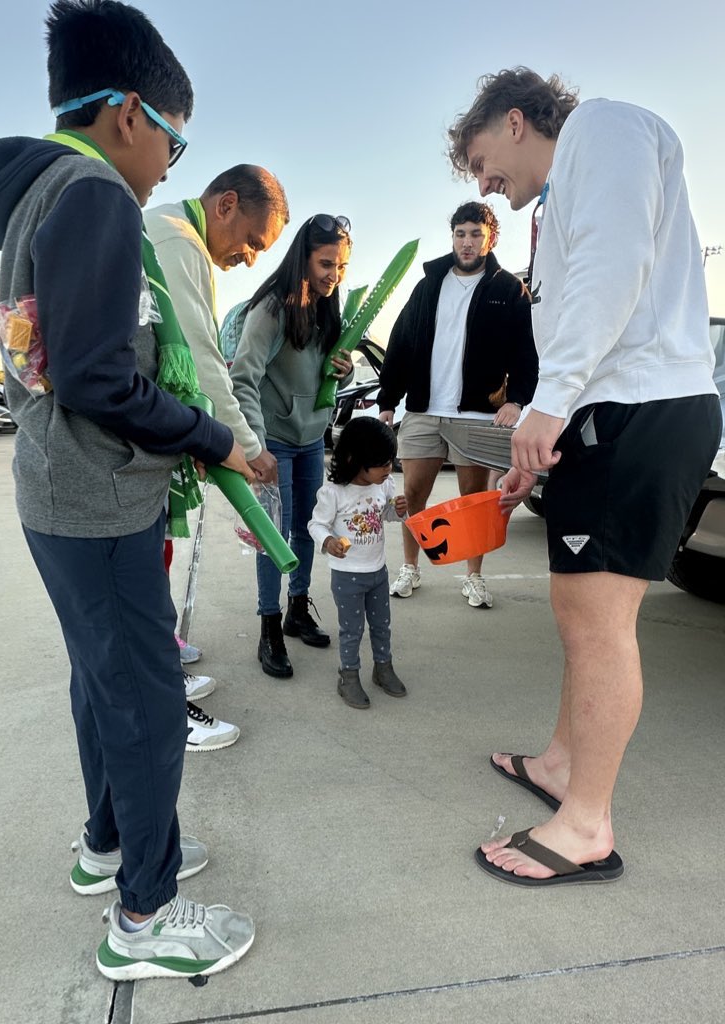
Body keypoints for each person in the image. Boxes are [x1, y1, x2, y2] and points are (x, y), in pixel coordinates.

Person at [0, 0, 256, 977]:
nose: (173, 163)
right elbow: (97, 377)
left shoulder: (39, 191)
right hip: (98, 500)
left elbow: (46, 363)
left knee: (104, 684)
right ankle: (145, 914)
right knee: (142, 695)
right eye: (177, 142)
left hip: (59, 496)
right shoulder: (94, 196)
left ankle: (107, 846)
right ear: (131, 114)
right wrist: (212, 436)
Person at [447, 67, 722, 886]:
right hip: (615, 408)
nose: (485, 187)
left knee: (599, 622)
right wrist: (546, 433)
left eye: (481, 159)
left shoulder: (601, 127)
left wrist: (548, 407)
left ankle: (587, 824)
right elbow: (584, 313)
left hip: (644, 407)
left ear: (517, 120)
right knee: (577, 609)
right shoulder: (567, 187)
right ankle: (565, 765)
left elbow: (612, 268)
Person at [145, 165, 289, 746]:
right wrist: (244, 447)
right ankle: (162, 707)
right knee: (139, 577)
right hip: (133, 445)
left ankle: (162, 676)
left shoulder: (165, 227)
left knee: (152, 561)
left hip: (149, 436)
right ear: (226, 205)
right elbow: (201, 358)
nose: (250, 259)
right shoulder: (179, 242)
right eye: (252, 242)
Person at [377, 201, 537, 609]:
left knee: (474, 502)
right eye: (461, 234)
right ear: (453, 237)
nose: (467, 243)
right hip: (424, 410)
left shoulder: (507, 290)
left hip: (478, 414)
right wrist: (388, 401)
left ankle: (473, 576)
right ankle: (411, 567)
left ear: (491, 238)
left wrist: (518, 399)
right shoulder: (430, 283)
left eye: (476, 235)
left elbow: (525, 352)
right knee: (414, 496)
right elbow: (401, 341)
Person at [230, 215, 355, 678]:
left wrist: (345, 371)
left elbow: (323, 374)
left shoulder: (326, 307)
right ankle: (269, 628)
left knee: (308, 528)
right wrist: (254, 446)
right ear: (302, 258)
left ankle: (297, 609)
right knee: (272, 538)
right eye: (326, 264)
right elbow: (243, 379)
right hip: (274, 443)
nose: (333, 275)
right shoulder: (272, 307)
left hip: (310, 440)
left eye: (340, 266)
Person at [308, 417, 408, 709]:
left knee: (381, 626)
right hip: (348, 576)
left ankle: (383, 668)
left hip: (378, 571)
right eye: (381, 463)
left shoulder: (383, 484)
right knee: (352, 630)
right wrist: (328, 542)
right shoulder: (334, 492)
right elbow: (316, 524)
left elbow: (386, 517)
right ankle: (348, 676)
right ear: (354, 459)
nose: (388, 468)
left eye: (390, 461)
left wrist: (397, 509)